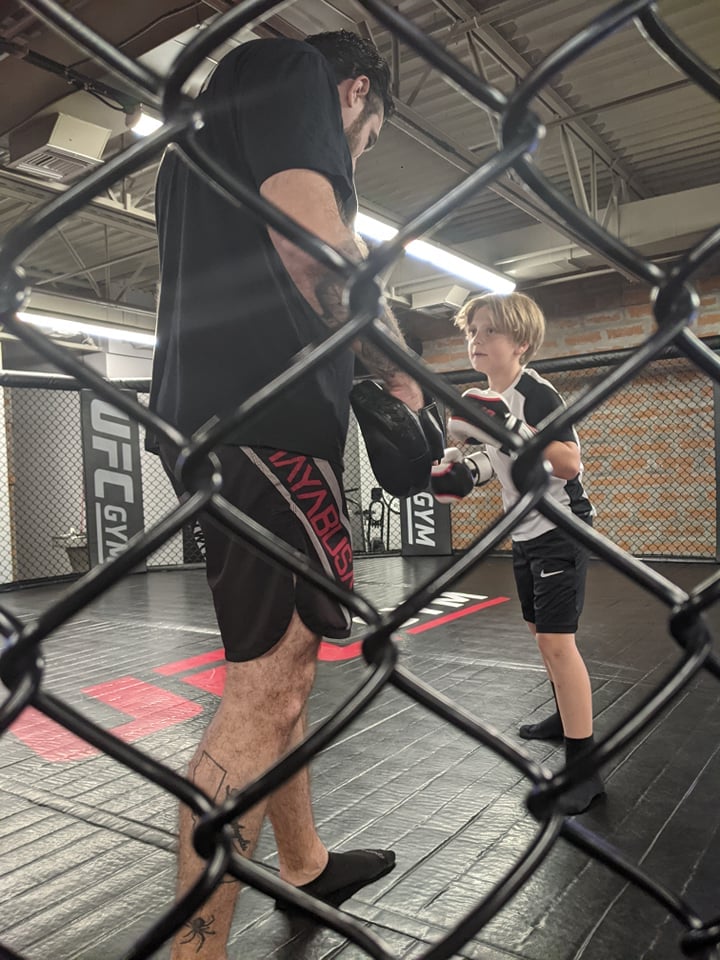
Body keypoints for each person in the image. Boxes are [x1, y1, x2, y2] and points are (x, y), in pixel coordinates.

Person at [147, 30, 424, 959]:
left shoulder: (206, 137)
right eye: (366, 140)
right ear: (356, 93)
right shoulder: (294, 70)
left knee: (286, 663)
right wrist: (407, 377)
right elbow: (315, 248)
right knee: (265, 688)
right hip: (261, 423)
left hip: (230, 422)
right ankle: (195, 952)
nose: (354, 160)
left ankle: (302, 862)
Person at [430, 292, 605, 816]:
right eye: (472, 331)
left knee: (556, 642)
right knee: (538, 631)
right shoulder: (480, 401)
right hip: (524, 532)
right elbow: (494, 461)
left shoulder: (534, 392)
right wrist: (462, 472)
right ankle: (564, 716)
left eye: (490, 331)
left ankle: (585, 769)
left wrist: (509, 428)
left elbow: (568, 462)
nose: (476, 340)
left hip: (561, 527)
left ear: (521, 343)